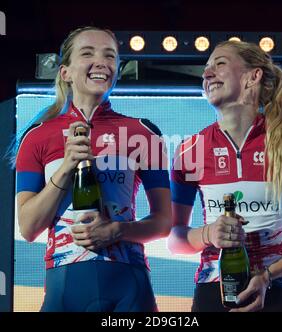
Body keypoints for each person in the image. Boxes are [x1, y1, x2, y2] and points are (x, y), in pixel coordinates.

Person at [15, 26, 171, 312]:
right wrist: (66, 167)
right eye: (88, 53)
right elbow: (28, 227)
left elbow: (163, 222)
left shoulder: (143, 132)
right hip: (65, 286)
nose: (102, 62)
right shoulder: (37, 135)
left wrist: (117, 231)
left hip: (130, 288)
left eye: (110, 56)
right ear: (65, 72)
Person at [168, 40, 282, 312]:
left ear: (253, 76)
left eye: (220, 64)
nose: (206, 74)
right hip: (212, 292)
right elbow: (175, 240)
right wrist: (208, 233)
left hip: (274, 290)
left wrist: (268, 275)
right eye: (206, 68)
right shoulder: (190, 150)